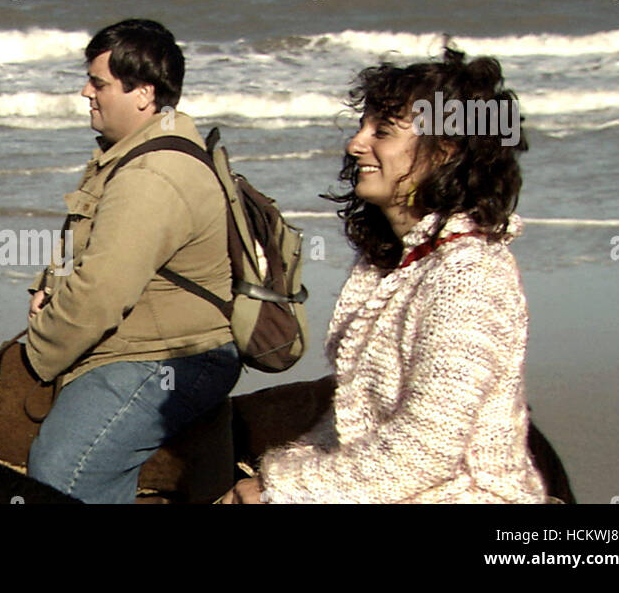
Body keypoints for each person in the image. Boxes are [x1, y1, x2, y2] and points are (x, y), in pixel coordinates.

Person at [220, 46, 547, 504]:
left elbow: (426, 450)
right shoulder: (395, 263)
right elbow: (359, 424)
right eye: (361, 126)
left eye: (383, 132)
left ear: (444, 150)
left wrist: (283, 489)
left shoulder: (468, 274)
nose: (356, 144)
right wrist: (284, 468)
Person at [23, 19, 242, 504]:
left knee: (61, 472)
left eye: (98, 82)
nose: (86, 92)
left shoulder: (152, 175)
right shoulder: (134, 158)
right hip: (151, 342)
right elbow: (95, 256)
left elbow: (102, 293)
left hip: (169, 353)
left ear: (143, 94)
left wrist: (36, 350)